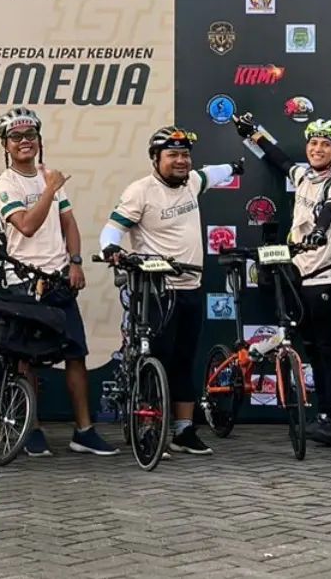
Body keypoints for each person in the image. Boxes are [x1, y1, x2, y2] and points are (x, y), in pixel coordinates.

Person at [99, 126, 243, 456]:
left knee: (184, 360)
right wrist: (111, 249)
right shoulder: (140, 191)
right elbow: (112, 229)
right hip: (156, 290)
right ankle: (149, 429)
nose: (181, 161)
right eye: (172, 155)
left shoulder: (192, 181)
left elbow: (212, 173)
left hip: (191, 286)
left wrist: (235, 168)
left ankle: (183, 430)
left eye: (185, 155)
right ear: (155, 158)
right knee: (156, 358)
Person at [0, 107, 116, 457]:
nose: (24, 141)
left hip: (59, 280)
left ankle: (84, 431)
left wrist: (75, 262)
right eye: (16, 137)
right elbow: (27, 225)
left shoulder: (50, 176)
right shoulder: (6, 183)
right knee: (26, 360)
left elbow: (69, 223)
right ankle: (31, 429)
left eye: (30, 135)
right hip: (25, 282)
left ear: (39, 140)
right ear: (5, 144)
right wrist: (49, 189)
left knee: (75, 355)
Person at [234, 114, 331, 446]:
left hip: (325, 278)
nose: (318, 149)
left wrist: (319, 231)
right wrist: (253, 134)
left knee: (328, 351)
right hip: (298, 276)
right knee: (312, 348)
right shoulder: (304, 177)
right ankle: (323, 414)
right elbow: (280, 159)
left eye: (326, 144)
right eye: (313, 143)